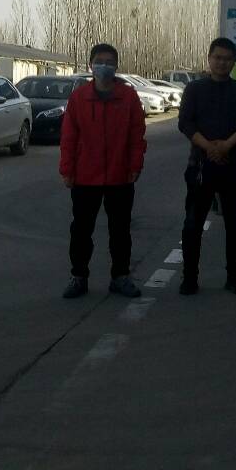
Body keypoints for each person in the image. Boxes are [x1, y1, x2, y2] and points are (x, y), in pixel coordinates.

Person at [59, 43, 146, 299]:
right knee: (81, 230)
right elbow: (69, 137)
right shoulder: (79, 98)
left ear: (116, 66)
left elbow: (137, 136)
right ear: (91, 66)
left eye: (109, 62)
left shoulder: (128, 97)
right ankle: (79, 276)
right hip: (85, 177)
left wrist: (135, 166)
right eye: (99, 61)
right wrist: (67, 170)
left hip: (120, 176)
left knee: (120, 230)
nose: (104, 66)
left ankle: (120, 276)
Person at [177, 37, 236, 295]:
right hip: (201, 166)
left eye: (227, 59)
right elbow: (185, 123)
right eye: (218, 57)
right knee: (193, 224)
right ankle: (190, 278)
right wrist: (210, 148)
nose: (222, 63)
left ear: (234, 62)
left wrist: (226, 146)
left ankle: (234, 277)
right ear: (209, 59)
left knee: (235, 226)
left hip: (234, 167)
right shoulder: (195, 89)